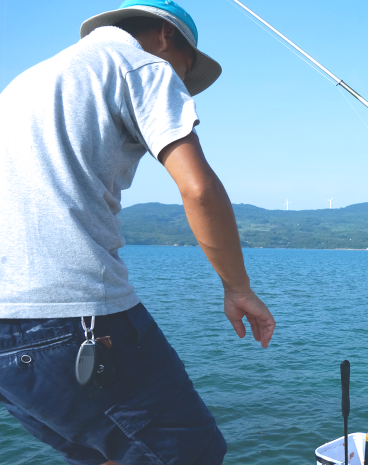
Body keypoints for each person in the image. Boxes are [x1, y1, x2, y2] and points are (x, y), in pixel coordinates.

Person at [0, 1, 275, 464]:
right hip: (71, 314)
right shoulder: (141, 63)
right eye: (187, 69)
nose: (183, 82)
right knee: (193, 453)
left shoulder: (25, 82)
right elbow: (199, 189)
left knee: (111, 454)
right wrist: (238, 287)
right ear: (167, 38)